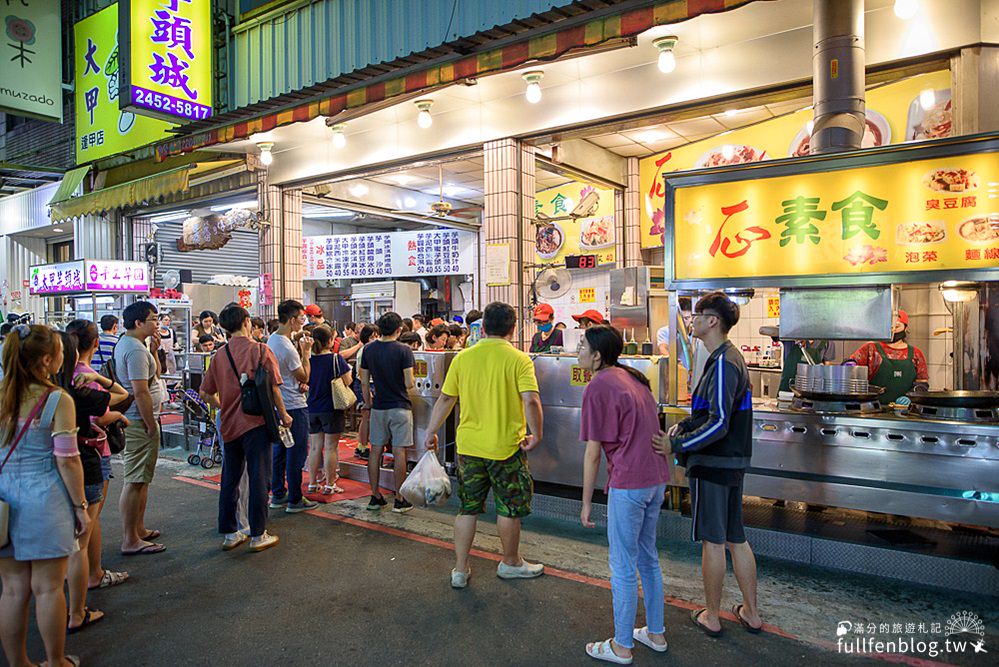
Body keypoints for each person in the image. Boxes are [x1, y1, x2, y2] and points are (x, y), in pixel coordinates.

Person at [653, 291, 762, 638]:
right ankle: (751, 612)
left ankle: (712, 616)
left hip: (714, 463)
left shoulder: (722, 362)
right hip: (729, 462)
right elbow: (708, 413)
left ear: (712, 321)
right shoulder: (726, 358)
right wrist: (685, 424)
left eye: (697, 315)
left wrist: (677, 443)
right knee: (735, 538)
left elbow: (718, 423)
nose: (692, 320)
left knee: (713, 541)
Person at [423, 301, 545, 588]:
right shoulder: (519, 359)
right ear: (513, 329)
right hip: (505, 447)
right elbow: (531, 399)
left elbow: (445, 399)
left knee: (467, 508)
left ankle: (460, 569)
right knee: (508, 508)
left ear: (484, 327)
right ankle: (510, 562)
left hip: (468, 448)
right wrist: (537, 433)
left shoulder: (463, 358)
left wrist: (430, 431)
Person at [578, 325, 669, 662]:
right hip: (656, 478)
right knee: (647, 557)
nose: (577, 348)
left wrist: (586, 502)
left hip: (630, 484)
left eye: (582, 344)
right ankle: (655, 632)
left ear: (597, 355)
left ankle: (621, 645)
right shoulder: (633, 378)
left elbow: (592, 452)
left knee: (622, 565)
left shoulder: (599, 385)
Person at [0, 324, 87, 667]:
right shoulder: (56, 399)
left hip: (3, 501)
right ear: (47, 360)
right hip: (45, 500)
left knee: (11, 589)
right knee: (49, 588)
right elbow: (67, 460)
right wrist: (80, 507)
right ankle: (55, 661)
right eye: (61, 352)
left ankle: (18, 662)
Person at [201, 305, 290, 552]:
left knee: (230, 478)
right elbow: (274, 388)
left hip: (228, 425)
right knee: (259, 477)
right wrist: (283, 416)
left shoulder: (219, 355)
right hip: (256, 424)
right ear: (247, 321)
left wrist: (225, 405)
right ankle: (258, 534)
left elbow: (205, 393)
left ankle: (231, 534)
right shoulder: (260, 350)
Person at [65, 319, 130, 593]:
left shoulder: (61, 374)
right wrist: (115, 412)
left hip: (68, 453)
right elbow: (115, 400)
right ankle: (93, 576)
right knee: (88, 520)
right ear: (95, 343)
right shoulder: (84, 378)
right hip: (91, 452)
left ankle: (78, 574)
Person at [114, 301, 168, 556]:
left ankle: (139, 529)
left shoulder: (138, 346)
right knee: (135, 479)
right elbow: (141, 391)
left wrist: (154, 350)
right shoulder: (133, 350)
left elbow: (153, 376)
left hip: (141, 420)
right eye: (153, 319)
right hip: (138, 422)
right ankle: (130, 539)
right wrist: (149, 423)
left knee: (142, 479)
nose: (157, 323)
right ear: (138, 322)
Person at [359, 312, 416, 513]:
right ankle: (399, 499)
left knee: (375, 450)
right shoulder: (404, 351)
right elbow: (409, 382)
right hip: (400, 406)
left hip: (379, 407)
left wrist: (368, 403)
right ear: (399, 330)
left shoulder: (368, 350)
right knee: (400, 451)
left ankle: (375, 496)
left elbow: (364, 382)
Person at [267, 300, 319, 513]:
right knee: (296, 453)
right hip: (294, 405)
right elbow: (304, 375)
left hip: (279, 405)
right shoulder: (287, 348)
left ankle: (278, 494)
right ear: (291, 320)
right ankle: (295, 499)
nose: (302, 322)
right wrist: (306, 353)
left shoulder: (273, 339)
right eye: (300, 319)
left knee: (280, 450)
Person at [305, 325, 352, 495]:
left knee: (316, 447)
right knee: (331, 447)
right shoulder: (335, 359)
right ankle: (330, 484)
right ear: (331, 340)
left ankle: (312, 483)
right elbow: (347, 380)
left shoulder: (308, 359)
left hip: (312, 407)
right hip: (331, 408)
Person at [847, 309, 929, 405]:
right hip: (874, 409)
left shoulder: (916, 354)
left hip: (905, 412)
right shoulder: (871, 349)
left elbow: (922, 385)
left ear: (906, 328)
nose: (893, 329)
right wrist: (850, 365)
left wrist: (911, 397)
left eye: (897, 326)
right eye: (890, 326)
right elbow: (849, 369)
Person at [353, 324, 379, 460]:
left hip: (372, 384)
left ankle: (362, 445)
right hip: (364, 385)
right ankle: (362, 447)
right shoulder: (364, 351)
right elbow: (361, 375)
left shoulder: (373, 349)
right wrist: (367, 394)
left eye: (377, 336)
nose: (375, 339)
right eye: (372, 337)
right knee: (366, 416)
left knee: (369, 417)